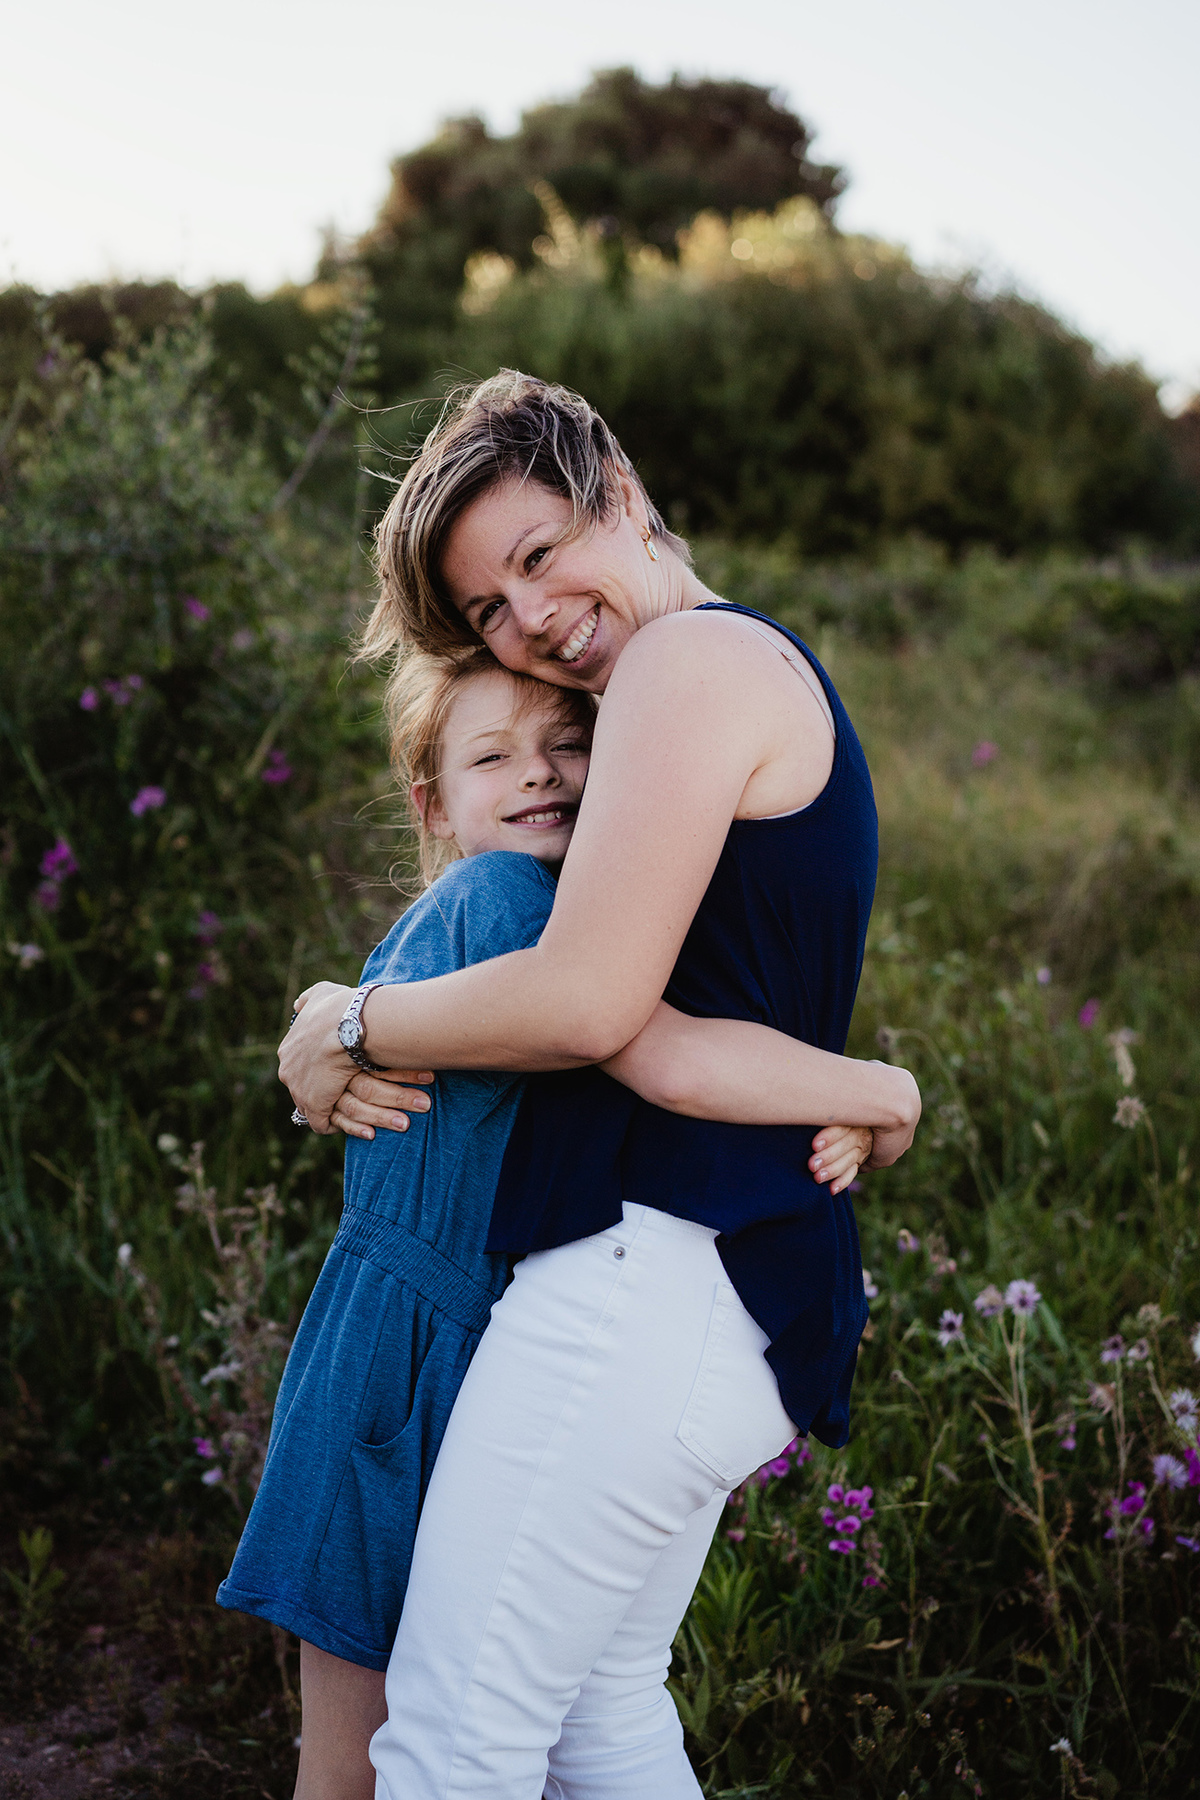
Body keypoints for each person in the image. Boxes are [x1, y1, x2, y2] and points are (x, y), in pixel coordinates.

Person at [280, 371, 921, 1799]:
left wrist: (350, 1018)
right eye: (491, 613)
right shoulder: (710, 679)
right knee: (596, 1725)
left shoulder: (686, 668)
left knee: (453, 1748)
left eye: (536, 556)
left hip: (651, 1274)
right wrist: (875, 1082)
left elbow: (587, 1004)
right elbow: (660, 1033)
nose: (533, 620)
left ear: (618, 490)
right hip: (714, 1281)